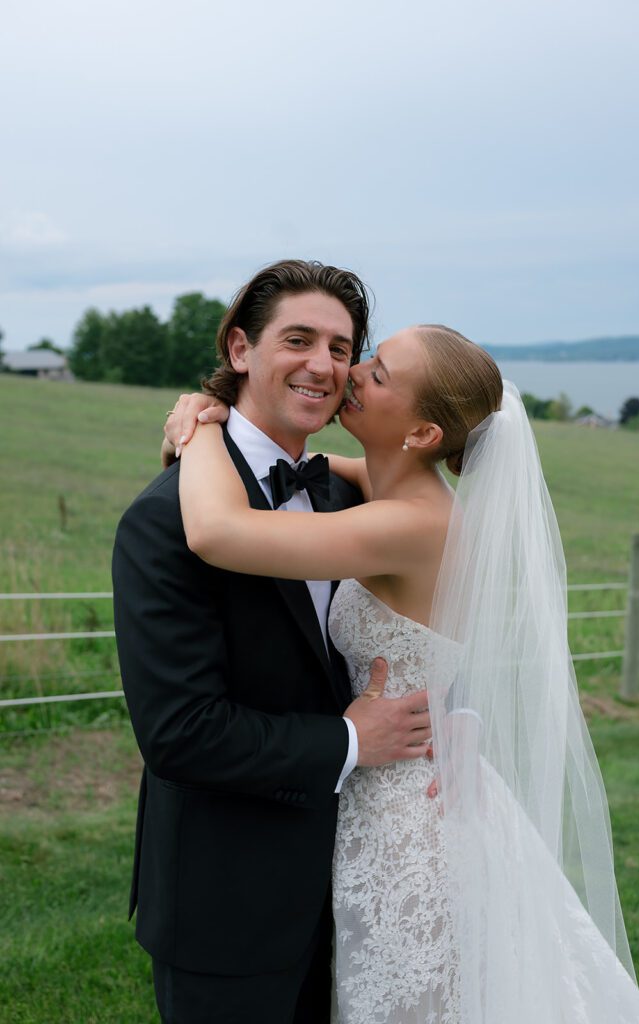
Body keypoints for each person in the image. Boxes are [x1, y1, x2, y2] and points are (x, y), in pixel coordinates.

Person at [167, 322, 639, 1023]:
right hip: (403, 776)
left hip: (406, 815)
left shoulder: (414, 524)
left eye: (377, 372)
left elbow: (216, 533)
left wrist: (198, 430)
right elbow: (339, 468)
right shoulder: (398, 483)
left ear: (424, 434)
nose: (352, 373)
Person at [111, 260, 434, 1024]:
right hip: (229, 903)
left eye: (340, 345)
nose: (322, 364)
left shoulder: (344, 490)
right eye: (298, 338)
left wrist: (451, 726)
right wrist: (349, 740)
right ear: (239, 350)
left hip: (366, 888)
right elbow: (181, 734)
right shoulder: (163, 523)